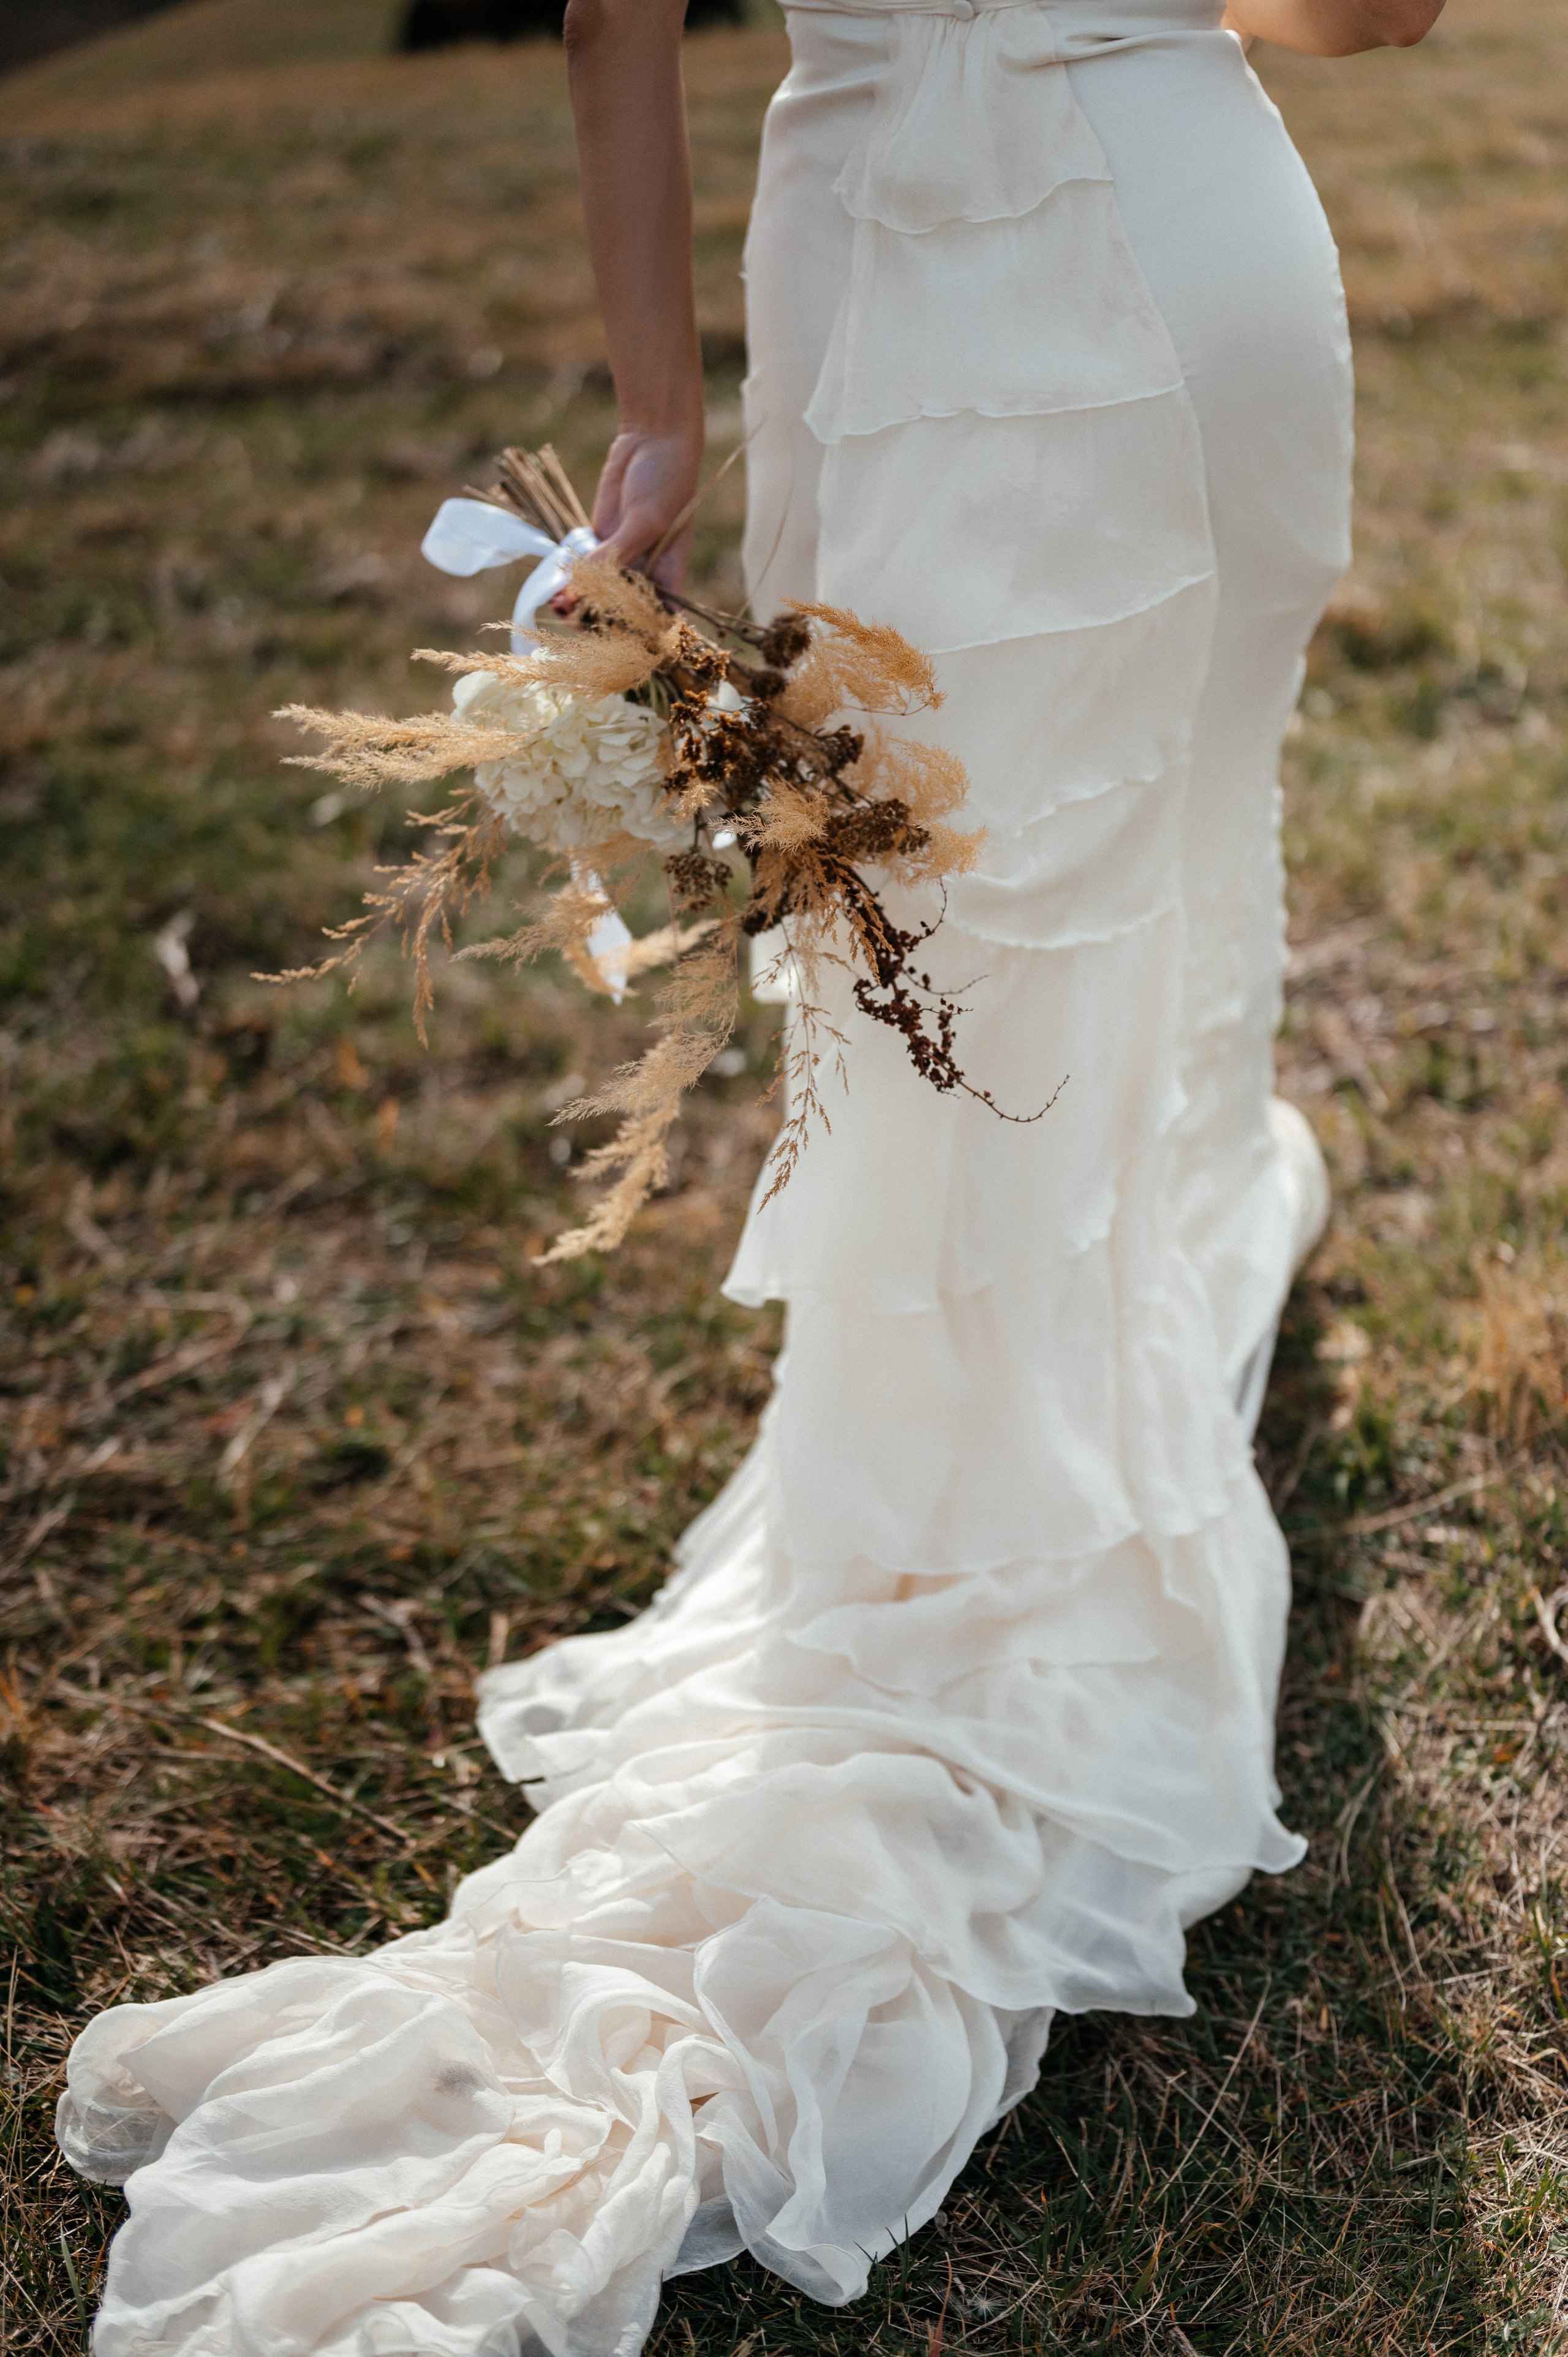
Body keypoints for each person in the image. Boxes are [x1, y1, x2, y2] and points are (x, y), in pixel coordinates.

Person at [55, 2, 1446, 2351]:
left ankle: (1047, 1423)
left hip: (890, 285)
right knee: (1127, 865)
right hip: (1186, 231)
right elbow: (1387, 6)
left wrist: (664, 412)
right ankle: (1087, 1407)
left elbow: (616, 11)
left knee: (991, 922)